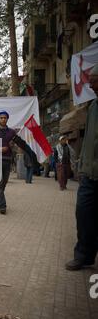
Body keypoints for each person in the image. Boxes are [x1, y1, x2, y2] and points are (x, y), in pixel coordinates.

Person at [66, 63, 98, 270]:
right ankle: (84, 254)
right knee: (83, 213)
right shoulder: (93, 106)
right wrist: (80, 164)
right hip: (89, 173)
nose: (91, 85)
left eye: (94, 81)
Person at [0, 111, 38, 214]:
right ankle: (2, 206)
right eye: (1, 118)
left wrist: (31, 152)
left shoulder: (12, 132)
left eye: (5, 118)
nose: (3, 119)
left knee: (4, 184)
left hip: (7, 160)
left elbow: (21, 143)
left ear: (7, 119)